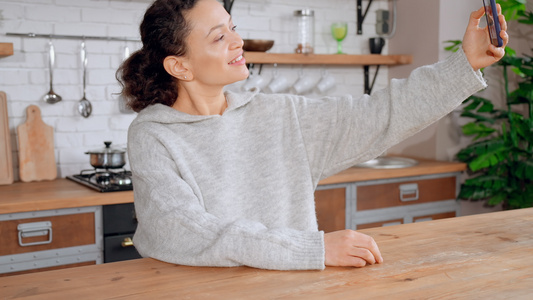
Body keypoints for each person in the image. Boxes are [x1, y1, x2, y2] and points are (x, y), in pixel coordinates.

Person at [118, 0, 508, 270]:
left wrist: (465, 64)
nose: (238, 41)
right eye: (219, 37)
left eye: (233, 28)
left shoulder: (278, 114)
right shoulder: (153, 135)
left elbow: (379, 115)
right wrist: (312, 249)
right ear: (180, 66)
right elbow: (181, 230)